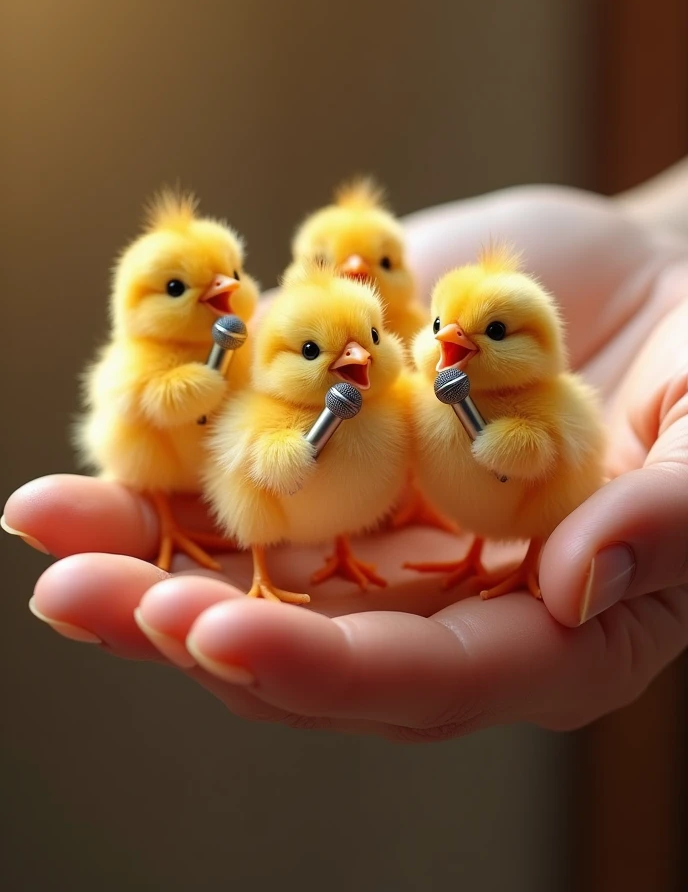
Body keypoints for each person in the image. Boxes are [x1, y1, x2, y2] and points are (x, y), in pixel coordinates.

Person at [3, 163, 688, 742]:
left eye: (384, 267)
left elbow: (524, 457)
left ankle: (469, 552)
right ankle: (268, 563)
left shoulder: (417, 400)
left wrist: (655, 273)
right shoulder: (257, 392)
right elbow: (255, 460)